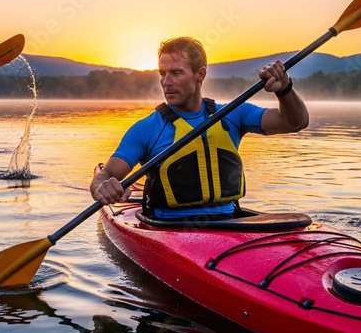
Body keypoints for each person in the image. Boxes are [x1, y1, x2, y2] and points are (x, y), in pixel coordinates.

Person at [91, 37, 309, 220]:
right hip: (168, 228)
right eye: (162, 73)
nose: (166, 82)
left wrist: (285, 90)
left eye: (176, 73)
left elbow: (295, 122)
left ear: (200, 74)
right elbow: (106, 175)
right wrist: (103, 186)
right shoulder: (146, 129)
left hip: (230, 224)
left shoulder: (233, 114)